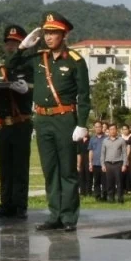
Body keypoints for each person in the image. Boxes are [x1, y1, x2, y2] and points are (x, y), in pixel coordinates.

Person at [8, 13, 91, 232]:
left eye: (53, 33)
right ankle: (55, 215)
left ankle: (69, 217)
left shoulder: (75, 61)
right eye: (46, 33)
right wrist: (23, 47)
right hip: (42, 119)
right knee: (50, 169)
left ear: (64, 35)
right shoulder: (38, 58)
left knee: (67, 170)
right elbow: (10, 66)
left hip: (65, 118)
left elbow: (84, 95)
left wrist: (82, 124)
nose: (49, 37)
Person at [0, 26, 35, 219]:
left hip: (20, 123)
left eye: (16, 43)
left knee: (20, 167)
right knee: (4, 167)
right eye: (9, 43)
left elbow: (38, 89)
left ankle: (19, 205)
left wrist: (28, 89)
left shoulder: (29, 67)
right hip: (2, 124)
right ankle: (6, 204)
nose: (11, 46)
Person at [101, 123, 127, 204]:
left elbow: (124, 153)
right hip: (108, 164)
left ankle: (120, 198)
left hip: (118, 163)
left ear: (116, 130)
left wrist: (124, 164)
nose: (112, 131)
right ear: (108, 131)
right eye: (111, 129)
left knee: (119, 182)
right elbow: (103, 153)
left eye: (114, 129)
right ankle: (111, 198)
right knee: (109, 182)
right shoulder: (105, 141)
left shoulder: (121, 140)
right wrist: (102, 165)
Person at [89, 122, 106, 201]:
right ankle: (97, 196)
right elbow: (91, 151)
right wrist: (90, 163)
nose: (98, 128)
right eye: (96, 127)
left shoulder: (106, 138)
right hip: (95, 163)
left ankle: (105, 196)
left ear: (102, 127)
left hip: (104, 163)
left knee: (105, 181)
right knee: (96, 181)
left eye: (99, 127)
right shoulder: (92, 138)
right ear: (94, 128)